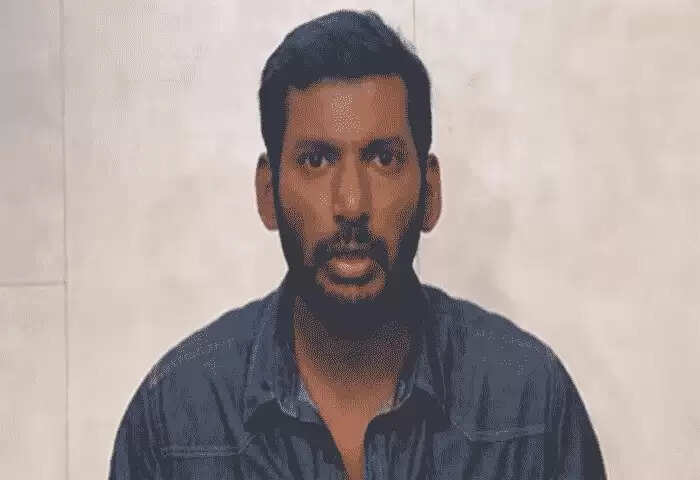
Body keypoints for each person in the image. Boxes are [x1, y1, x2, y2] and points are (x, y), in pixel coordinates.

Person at [109, 9, 606, 480]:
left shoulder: (530, 405)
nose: (351, 203)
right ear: (267, 194)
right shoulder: (174, 419)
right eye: (317, 161)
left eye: (383, 159)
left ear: (430, 193)